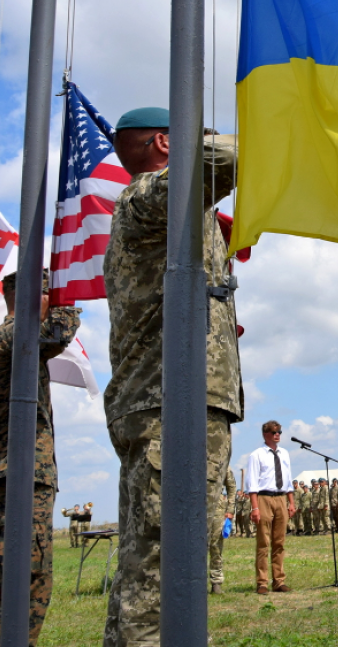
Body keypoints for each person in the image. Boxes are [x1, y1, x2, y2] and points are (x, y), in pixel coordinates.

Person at [104, 107, 242, 646]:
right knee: (169, 564)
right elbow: (229, 156)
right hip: (172, 404)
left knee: (153, 559)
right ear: (166, 142)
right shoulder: (148, 198)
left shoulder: (164, 211)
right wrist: (204, 137)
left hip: (171, 400)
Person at [0, 270, 80, 646]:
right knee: (22, 580)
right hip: (15, 476)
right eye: (51, 295)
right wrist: (69, 302)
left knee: (28, 580)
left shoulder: (14, 339)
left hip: (21, 475)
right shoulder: (13, 334)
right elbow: (57, 333)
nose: (54, 302)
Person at [246, 421, 295, 594]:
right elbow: (252, 483)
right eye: (275, 432)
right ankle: (262, 582)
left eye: (279, 432)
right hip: (264, 498)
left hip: (281, 498)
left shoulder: (284, 454)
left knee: (279, 542)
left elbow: (288, 480)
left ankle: (279, 580)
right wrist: (255, 508)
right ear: (266, 434)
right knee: (263, 542)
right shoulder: (257, 455)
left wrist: (291, 502)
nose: (278, 435)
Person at [208, 469, 236, 594]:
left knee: (216, 546)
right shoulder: (191, 457)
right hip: (193, 506)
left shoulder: (220, 460)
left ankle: (216, 582)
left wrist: (230, 509)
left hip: (217, 509)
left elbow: (231, 486)